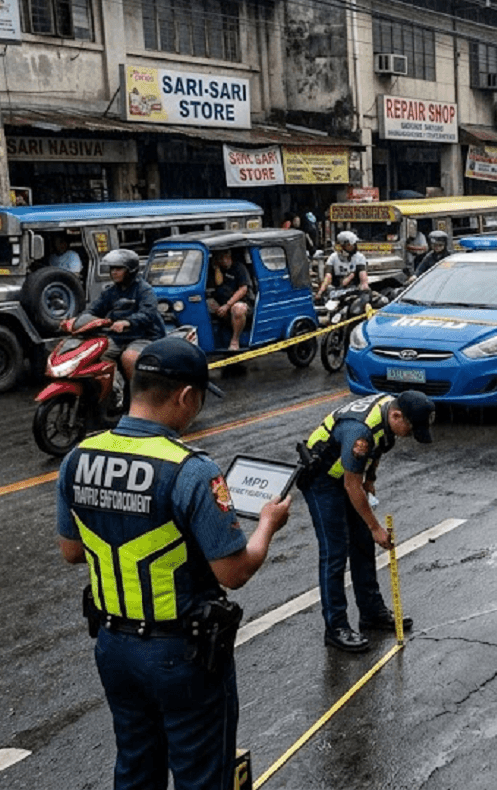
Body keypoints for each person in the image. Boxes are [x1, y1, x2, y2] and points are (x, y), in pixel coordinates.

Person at [56, 338, 290, 789]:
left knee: (135, 767)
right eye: (199, 399)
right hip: (181, 654)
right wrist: (268, 524)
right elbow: (234, 572)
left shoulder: (78, 457)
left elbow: (71, 551)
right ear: (185, 396)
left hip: (113, 647)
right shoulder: (192, 470)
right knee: (200, 775)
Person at [298, 391, 434, 653]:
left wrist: (370, 478)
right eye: (410, 429)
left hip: (347, 474)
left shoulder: (388, 413)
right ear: (397, 416)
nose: (409, 435)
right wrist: (375, 527)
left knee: (362, 543)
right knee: (335, 552)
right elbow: (352, 486)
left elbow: (380, 447)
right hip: (322, 479)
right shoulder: (360, 433)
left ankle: (371, 613)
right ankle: (336, 627)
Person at [84, 248, 166, 382]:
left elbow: (147, 313)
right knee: (92, 354)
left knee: (129, 358)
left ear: (130, 271)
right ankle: (114, 388)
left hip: (144, 336)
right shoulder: (110, 292)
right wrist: (78, 320)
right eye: (112, 269)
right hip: (119, 338)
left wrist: (127, 322)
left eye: (119, 269)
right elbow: (94, 309)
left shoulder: (144, 289)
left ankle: (137, 392)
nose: (114, 272)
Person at [207, 249, 253, 351]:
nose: (224, 260)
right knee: (205, 304)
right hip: (221, 303)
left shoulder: (239, 268)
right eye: (220, 258)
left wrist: (228, 305)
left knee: (238, 308)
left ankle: (235, 340)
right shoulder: (216, 270)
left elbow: (243, 289)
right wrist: (217, 268)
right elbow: (218, 283)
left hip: (240, 302)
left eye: (225, 256)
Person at [320, 231, 370, 297]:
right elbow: (328, 276)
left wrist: (365, 287)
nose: (354, 246)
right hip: (336, 292)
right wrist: (321, 292)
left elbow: (363, 276)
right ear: (343, 245)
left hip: (353, 292)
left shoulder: (360, 257)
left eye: (354, 244)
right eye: (351, 244)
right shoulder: (333, 257)